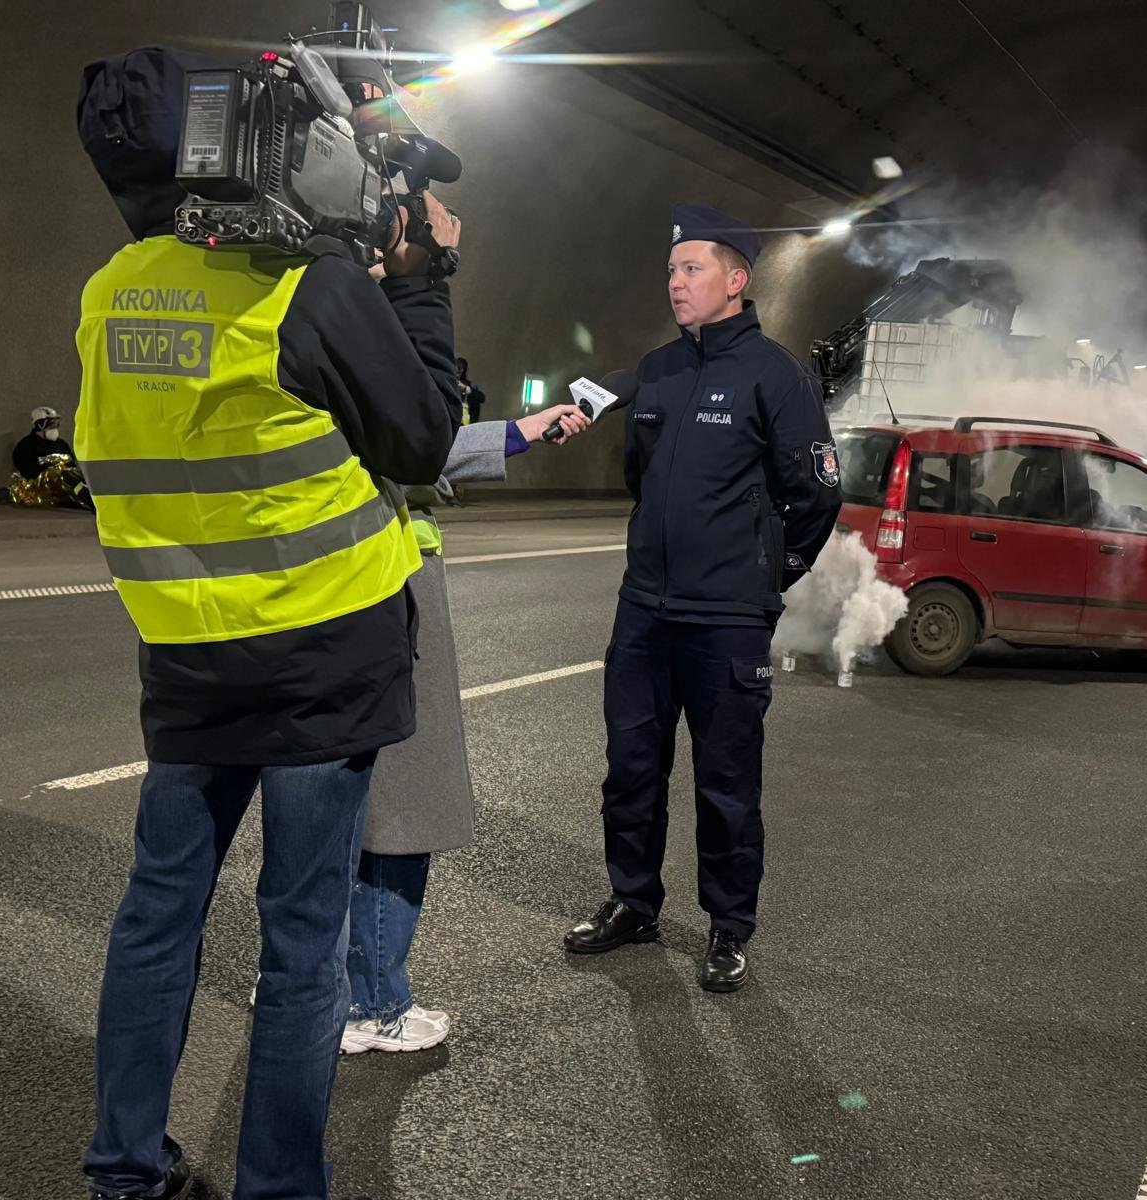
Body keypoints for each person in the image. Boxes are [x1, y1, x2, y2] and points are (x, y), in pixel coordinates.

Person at [73, 47, 460, 1200]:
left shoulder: (111, 289)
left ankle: (125, 1172)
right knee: (301, 943)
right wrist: (415, 277)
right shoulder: (307, 288)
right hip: (322, 660)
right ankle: (280, 1186)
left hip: (189, 656)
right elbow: (424, 438)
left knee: (157, 917)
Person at [564, 203, 842, 993]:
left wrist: (765, 575)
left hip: (726, 620)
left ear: (736, 279)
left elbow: (817, 495)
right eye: (671, 271)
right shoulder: (657, 369)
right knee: (630, 769)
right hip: (645, 611)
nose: (676, 283)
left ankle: (728, 925)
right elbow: (640, 478)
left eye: (691, 269)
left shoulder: (777, 376)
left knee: (725, 783)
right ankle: (633, 902)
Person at [335, 400, 593, 1052]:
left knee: (322, 795)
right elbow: (410, 445)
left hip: (307, 585)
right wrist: (514, 434)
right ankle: (371, 1004)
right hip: (387, 577)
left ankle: (304, 977)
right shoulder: (357, 347)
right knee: (402, 798)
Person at [9, 406, 93, 509]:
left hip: (65, 484)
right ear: (39, 424)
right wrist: (50, 467)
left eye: (56, 423)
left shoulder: (61, 444)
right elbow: (27, 472)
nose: (54, 426)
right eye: (50, 423)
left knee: (75, 474)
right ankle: (87, 498)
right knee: (60, 474)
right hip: (38, 488)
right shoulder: (26, 446)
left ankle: (88, 496)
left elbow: (72, 466)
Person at [456, 356, 486, 425]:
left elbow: (482, 398)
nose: (457, 375)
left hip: (467, 421)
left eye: (460, 372)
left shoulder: (469, 385)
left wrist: (466, 389)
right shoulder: (447, 383)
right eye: (456, 372)